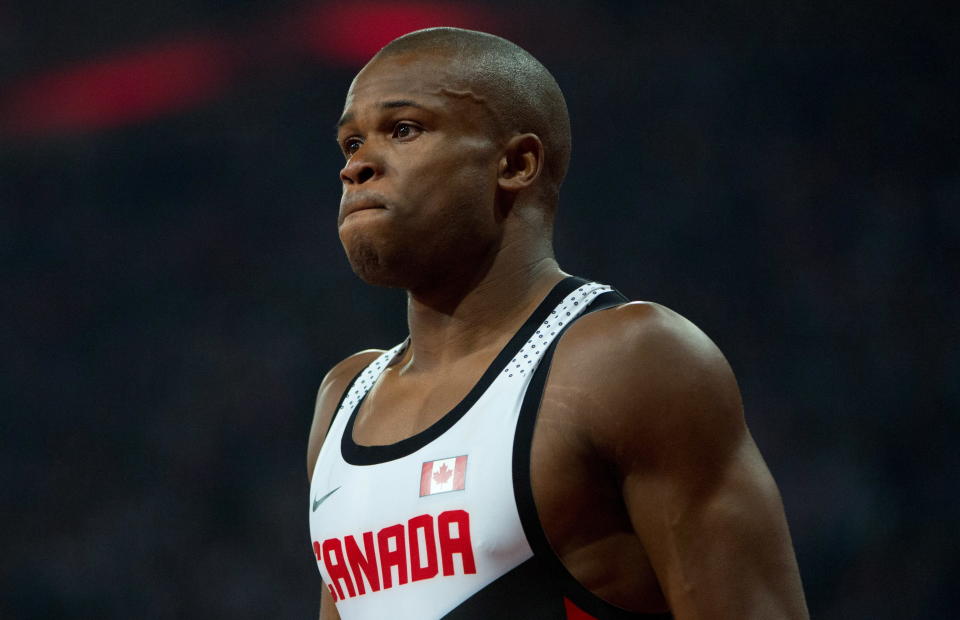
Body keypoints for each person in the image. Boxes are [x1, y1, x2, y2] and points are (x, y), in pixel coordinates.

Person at [306, 27, 808, 620]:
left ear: (516, 163)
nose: (357, 167)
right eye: (350, 144)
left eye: (404, 129)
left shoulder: (628, 359)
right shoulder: (344, 397)